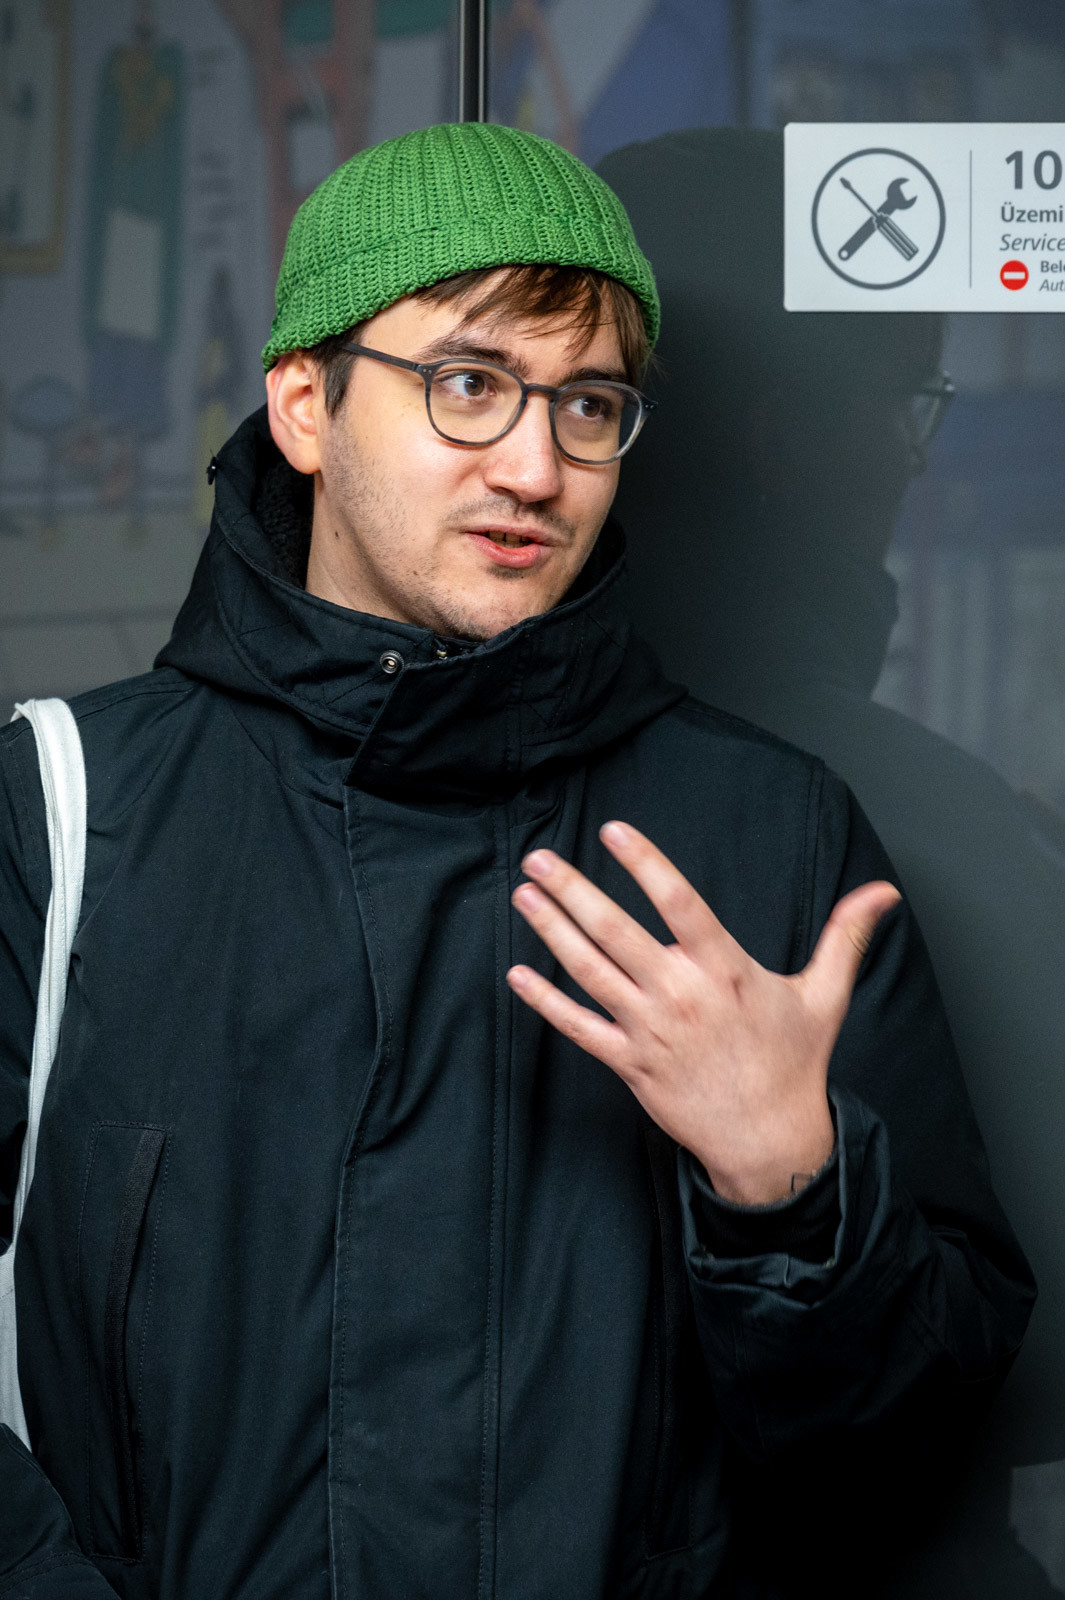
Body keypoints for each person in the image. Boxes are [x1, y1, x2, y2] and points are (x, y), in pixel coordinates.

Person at [0, 122, 1033, 1600]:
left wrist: (793, 1194)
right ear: (304, 404)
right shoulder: (63, 808)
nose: (537, 468)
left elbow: (913, 1457)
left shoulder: (765, 834)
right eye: (470, 384)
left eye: (589, 404)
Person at [597, 125, 1065, 1596]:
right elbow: (1040, 1347)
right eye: (903, 409)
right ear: (787, 438)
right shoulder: (917, 823)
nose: (910, 467)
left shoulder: (420, 788)